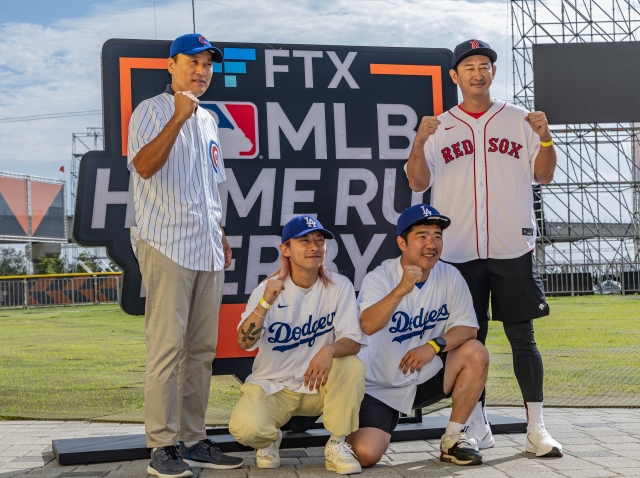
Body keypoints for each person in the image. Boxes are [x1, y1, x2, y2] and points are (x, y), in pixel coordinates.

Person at [405, 39, 562, 457]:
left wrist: (546, 138)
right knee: (466, 343)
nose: (478, 72)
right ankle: (476, 426)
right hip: (458, 252)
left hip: (512, 246)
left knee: (522, 338)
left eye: (485, 65)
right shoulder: (440, 125)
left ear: (493, 72)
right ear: (455, 76)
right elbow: (418, 183)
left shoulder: (519, 120)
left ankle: (537, 428)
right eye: (469, 66)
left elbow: (543, 176)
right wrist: (419, 142)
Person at [127, 33, 244, 477]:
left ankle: (193, 440)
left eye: (207, 64)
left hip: (206, 244)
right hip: (166, 242)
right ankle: (161, 446)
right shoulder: (152, 110)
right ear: (170, 65)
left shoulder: (210, 119)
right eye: (191, 62)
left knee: (201, 350)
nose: (201, 70)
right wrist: (176, 118)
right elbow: (143, 166)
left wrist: (220, 230)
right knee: (166, 349)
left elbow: (210, 186)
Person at [348, 204, 489, 467]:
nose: (431, 244)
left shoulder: (449, 274)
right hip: (380, 387)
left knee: (476, 352)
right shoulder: (380, 278)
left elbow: (468, 328)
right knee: (365, 454)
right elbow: (367, 324)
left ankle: (453, 438)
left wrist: (433, 346)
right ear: (402, 242)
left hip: (425, 374)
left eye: (437, 236)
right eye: (422, 236)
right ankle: (350, 424)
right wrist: (401, 289)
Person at [229, 215, 368, 475]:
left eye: (319, 241)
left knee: (351, 365)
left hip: (318, 385)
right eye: (304, 241)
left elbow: (353, 340)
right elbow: (244, 342)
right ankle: (270, 438)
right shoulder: (265, 290)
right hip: (274, 386)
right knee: (245, 428)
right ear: (286, 249)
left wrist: (329, 350)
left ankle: (337, 444)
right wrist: (265, 304)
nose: (315, 246)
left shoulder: (340, 286)